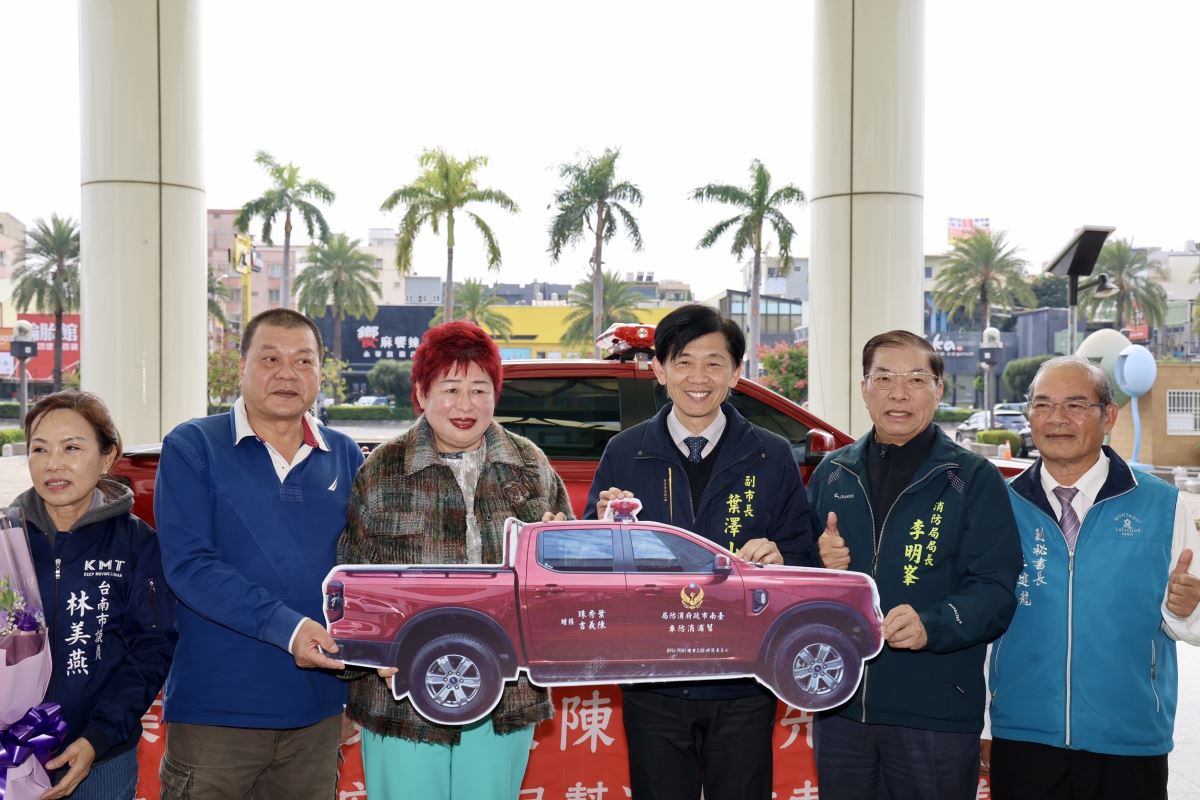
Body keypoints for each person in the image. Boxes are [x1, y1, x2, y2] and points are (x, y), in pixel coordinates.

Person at [584, 303, 814, 800]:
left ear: (735, 373)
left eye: (714, 363)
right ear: (659, 370)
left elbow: (803, 557)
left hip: (744, 677)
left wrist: (780, 559)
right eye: (684, 361)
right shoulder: (624, 452)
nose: (698, 377)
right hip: (652, 677)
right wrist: (603, 530)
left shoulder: (771, 454)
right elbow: (590, 569)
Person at [338, 321, 572, 800]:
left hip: (504, 693)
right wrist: (373, 653)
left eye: (479, 389)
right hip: (401, 696)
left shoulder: (530, 465)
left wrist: (559, 549)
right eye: (450, 389)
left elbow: (566, 581)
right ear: (421, 393)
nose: (466, 405)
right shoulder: (382, 469)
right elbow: (354, 580)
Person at [155, 308, 365, 798]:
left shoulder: (345, 455)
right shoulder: (194, 446)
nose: (288, 373)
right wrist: (289, 629)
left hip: (316, 714)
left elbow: (360, 576)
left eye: (303, 361)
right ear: (242, 366)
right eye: (270, 358)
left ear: (320, 372)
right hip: (217, 714)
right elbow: (189, 566)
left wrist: (354, 691)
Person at [809, 329, 1022, 800]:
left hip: (935, 711)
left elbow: (996, 589)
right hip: (841, 707)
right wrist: (818, 562)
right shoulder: (833, 473)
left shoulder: (972, 478)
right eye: (883, 378)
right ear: (864, 388)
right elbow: (797, 577)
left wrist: (934, 624)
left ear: (938, 390)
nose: (899, 393)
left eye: (916, 379)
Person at [986, 355, 1200, 800]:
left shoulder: (1163, 506)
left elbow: (1191, 620)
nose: (1057, 418)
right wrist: (986, 724)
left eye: (1076, 405)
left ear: (1109, 417)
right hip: (1022, 734)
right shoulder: (999, 506)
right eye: (1043, 405)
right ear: (1029, 415)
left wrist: (1187, 611)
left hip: (1128, 737)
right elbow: (981, 623)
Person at [21, 390, 176, 800]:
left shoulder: (138, 544)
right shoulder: (8, 541)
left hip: (102, 758)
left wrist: (98, 737)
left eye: (71, 448)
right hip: (12, 757)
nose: (53, 463)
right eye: (39, 449)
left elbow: (152, 650)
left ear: (108, 456)